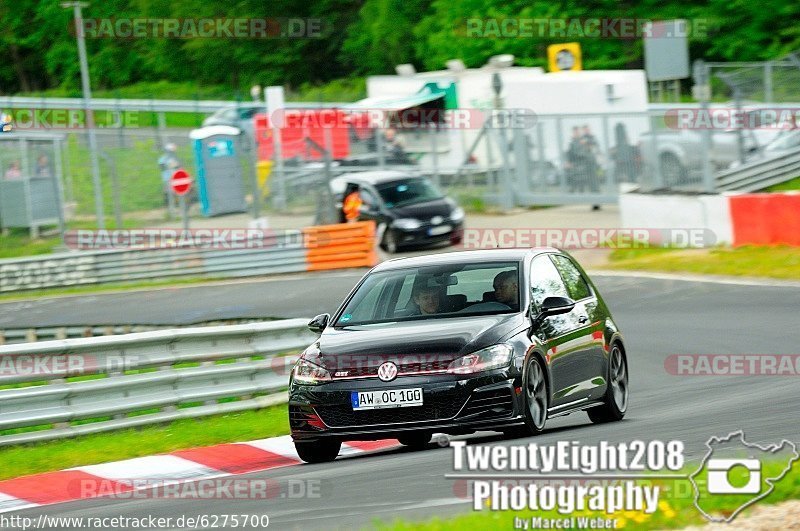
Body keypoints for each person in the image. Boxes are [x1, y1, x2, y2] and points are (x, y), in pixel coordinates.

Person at [158, 143, 181, 210]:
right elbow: (163, 166)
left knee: (176, 191)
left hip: (175, 177)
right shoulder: (163, 159)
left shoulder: (174, 158)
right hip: (168, 177)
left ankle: (176, 203)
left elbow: (177, 167)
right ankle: (169, 205)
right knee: (169, 191)